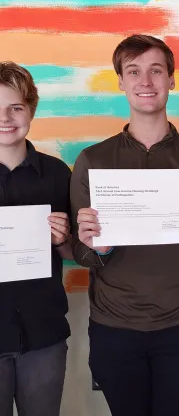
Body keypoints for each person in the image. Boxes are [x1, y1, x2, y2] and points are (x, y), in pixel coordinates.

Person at [70, 35, 179, 416]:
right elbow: (80, 254)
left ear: (171, 80)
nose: (146, 81)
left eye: (156, 71)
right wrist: (98, 246)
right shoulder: (92, 160)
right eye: (134, 71)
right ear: (121, 82)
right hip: (114, 327)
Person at [0, 62, 73, 416]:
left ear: (31, 110)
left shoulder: (58, 174)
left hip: (43, 334)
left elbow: (75, 252)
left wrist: (62, 240)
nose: (6, 118)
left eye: (16, 107)